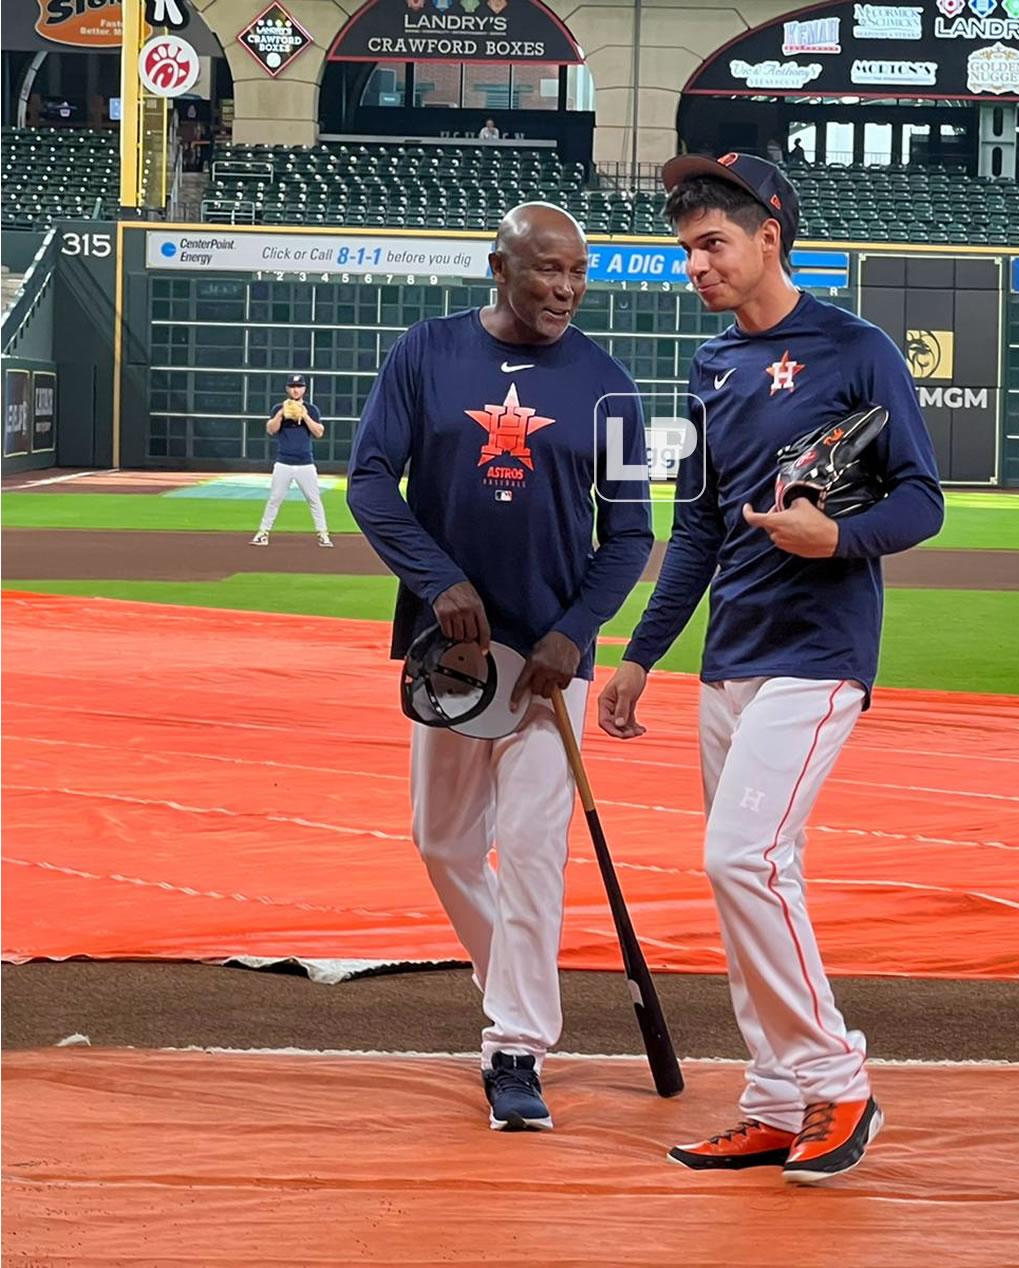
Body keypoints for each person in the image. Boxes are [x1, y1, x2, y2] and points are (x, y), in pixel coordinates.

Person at [598, 153, 944, 1183]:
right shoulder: (709, 366)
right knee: (754, 876)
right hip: (730, 654)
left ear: (768, 239)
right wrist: (643, 653)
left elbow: (921, 499)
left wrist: (834, 541)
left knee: (739, 858)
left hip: (820, 649)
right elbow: (695, 527)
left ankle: (839, 1083)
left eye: (712, 245)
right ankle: (776, 1097)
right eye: (685, 251)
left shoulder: (857, 346)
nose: (695, 266)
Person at [346, 203, 653, 1132]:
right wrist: (437, 581)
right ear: (500, 267)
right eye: (547, 270)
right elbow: (368, 480)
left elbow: (631, 530)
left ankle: (515, 1048)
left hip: (548, 670)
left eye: (579, 274)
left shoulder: (609, 385)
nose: (564, 288)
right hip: (455, 660)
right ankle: (511, 978)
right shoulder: (425, 355)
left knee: (527, 852)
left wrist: (576, 633)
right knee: (441, 843)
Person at [250, 374, 333, 547]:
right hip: (283, 462)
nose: (296, 389)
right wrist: (281, 414)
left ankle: (323, 535)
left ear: (304, 389)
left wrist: (305, 415)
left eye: (299, 386)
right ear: (287, 389)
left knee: (314, 500)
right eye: (292, 386)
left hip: (305, 463)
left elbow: (319, 432)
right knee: (275, 499)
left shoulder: (312, 409)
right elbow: (271, 429)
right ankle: (262, 533)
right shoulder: (278, 408)